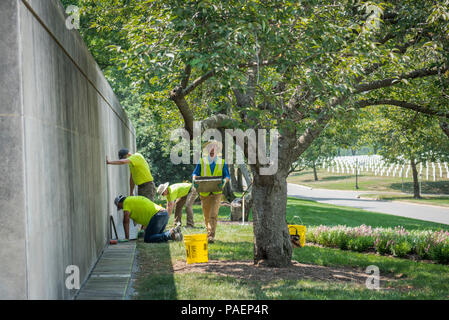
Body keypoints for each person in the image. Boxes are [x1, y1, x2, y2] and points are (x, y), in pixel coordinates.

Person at [192, 140, 230, 243]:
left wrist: (224, 181)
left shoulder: (222, 162)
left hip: (217, 192)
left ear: (217, 150)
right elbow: (195, 173)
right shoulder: (201, 161)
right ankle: (208, 232)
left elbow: (227, 176)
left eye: (214, 147)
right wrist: (194, 180)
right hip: (204, 192)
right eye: (210, 147)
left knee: (213, 214)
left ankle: (210, 236)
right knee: (206, 215)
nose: (212, 149)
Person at [114, 195, 183, 243]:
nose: (120, 208)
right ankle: (174, 232)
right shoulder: (133, 200)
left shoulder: (126, 202)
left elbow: (126, 221)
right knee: (157, 236)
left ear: (120, 202)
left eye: (119, 206)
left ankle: (170, 234)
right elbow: (144, 212)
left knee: (148, 238)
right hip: (164, 214)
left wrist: (127, 238)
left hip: (158, 216)